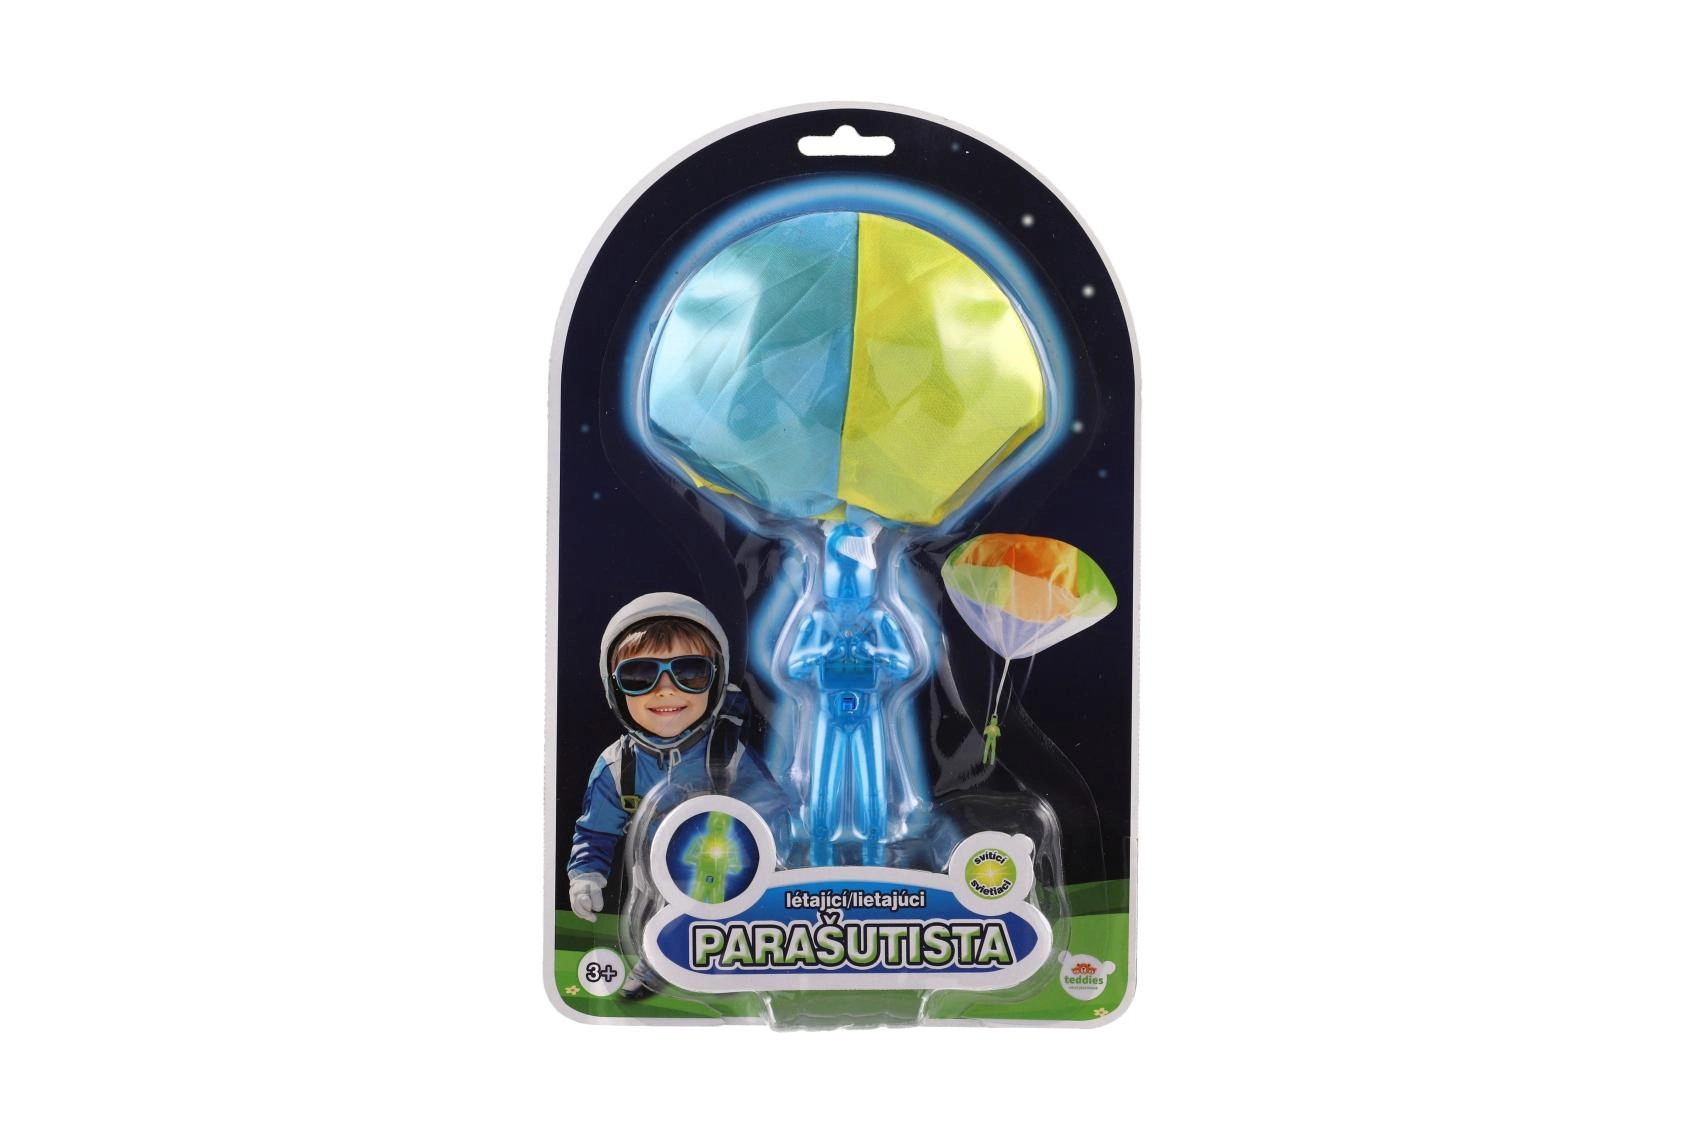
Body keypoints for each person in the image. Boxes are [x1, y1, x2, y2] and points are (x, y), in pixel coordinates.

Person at [566, 592, 782, 998]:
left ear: (715, 681)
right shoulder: (619, 767)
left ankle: (740, 957)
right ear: (615, 689)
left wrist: (779, 861)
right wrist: (586, 876)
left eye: (690, 673)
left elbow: (772, 812)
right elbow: (595, 831)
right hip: (655, 879)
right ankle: (658, 964)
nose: (666, 691)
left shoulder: (726, 754)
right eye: (639, 676)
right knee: (664, 919)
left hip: (726, 867)